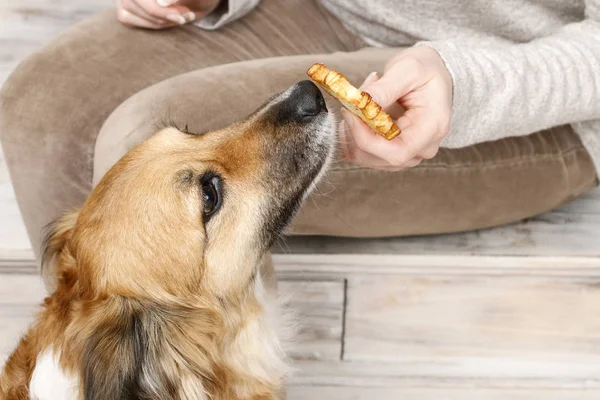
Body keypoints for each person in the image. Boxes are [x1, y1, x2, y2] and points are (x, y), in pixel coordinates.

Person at [1, 0, 598, 265]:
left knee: (150, 147)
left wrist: (468, 84)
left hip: (519, 78)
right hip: (317, 7)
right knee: (36, 109)